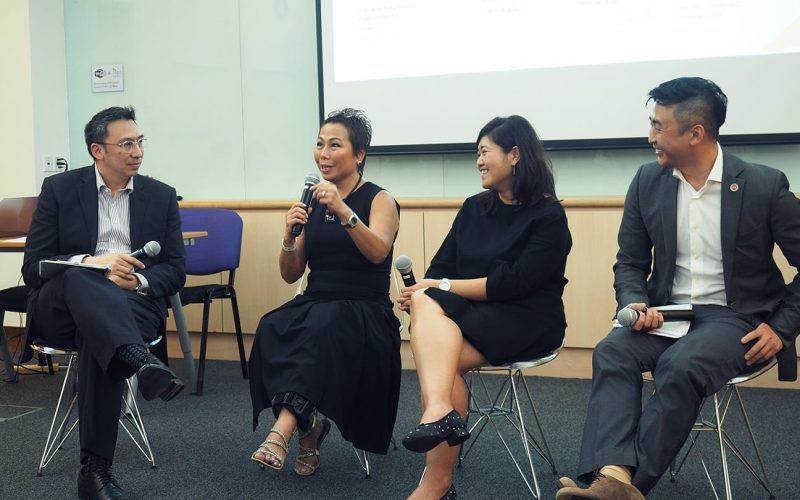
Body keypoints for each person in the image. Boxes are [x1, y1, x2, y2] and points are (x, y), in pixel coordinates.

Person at [556, 77, 800, 500]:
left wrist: (782, 327)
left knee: (680, 365)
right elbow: (630, 261)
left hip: (735, 317)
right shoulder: (647, 181)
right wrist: (634, 302)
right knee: (612, 350)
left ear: (695, 133)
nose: (650, 136)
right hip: (667, 313)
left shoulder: (764, 185)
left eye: (658, 126)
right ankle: (613, 476)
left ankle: (626, 487)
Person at [398, 115, 572, 500]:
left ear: (514, 155)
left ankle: (436, 479)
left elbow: (513, 283)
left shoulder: (548, 215)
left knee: (433, 320)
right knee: (431, 319)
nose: (478, 160)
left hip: (527, 319)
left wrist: (437, 287)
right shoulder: (474, 207)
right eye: (476, 153)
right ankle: (440, 444)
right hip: (475, 315)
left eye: (484, 152)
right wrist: (426, 290)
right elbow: (441, 267)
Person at [22, 106, 186, 500]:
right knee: (82, 279)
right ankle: (142, 361)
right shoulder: (59, 190)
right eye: (126, 143)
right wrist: (93, 263)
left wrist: (138, 278)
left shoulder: (160, 196)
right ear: (98, 150)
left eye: (140, 141)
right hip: (61, 306)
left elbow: (176, 269)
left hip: (131, 303)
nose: (138, 151)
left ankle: (94, 473)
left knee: (100, 338)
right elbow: (33, 268)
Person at [248, 108, 401, 476]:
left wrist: (345, 211)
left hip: (366, 309)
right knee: (272, 326)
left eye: (335, 145)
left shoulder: (380, 200)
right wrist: (288, 238)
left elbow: (378, 251)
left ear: (359, 154)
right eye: (319, 145)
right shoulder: (311, 202)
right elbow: (291, 274)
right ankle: (310, 426)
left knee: (322, 327)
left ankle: (284, 430)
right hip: (318, 302)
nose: (324, 154)